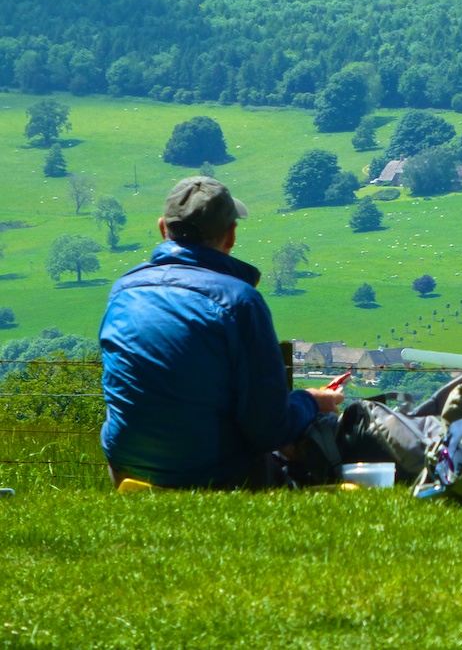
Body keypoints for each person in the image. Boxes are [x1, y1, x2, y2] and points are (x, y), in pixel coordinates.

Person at [100, 176, 345, 489]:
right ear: (230, 236)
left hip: (127, 468)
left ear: (163, 229)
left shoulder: (122, 291)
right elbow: (269, 428)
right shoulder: (240, 302)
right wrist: (311, 401)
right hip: (214, 475)